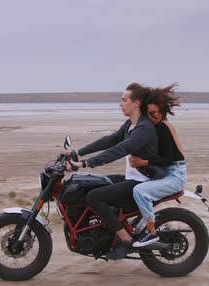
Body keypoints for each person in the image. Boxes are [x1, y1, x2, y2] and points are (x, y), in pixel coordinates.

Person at [66, 83, 163, 260]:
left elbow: (119, 149)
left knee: (94, 196)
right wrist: (78, 152)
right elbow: (109, 140)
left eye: (124, 100)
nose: (120, 103)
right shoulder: (130, 124)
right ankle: (106, 230)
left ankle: (125, 240)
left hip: (141, 184)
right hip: (132, 179)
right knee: (92, 184)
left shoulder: (144, 129)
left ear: (136, 103)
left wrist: (85, 163)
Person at [129, 84, 187, 247]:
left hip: (175, 175)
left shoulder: (162, 127)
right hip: (167, 172)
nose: (154, 116)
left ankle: (151, 232)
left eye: (156, 112)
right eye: (150, 113)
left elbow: (168, 158)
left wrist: (143, 162)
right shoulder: (155, 126)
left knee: (140, 191)